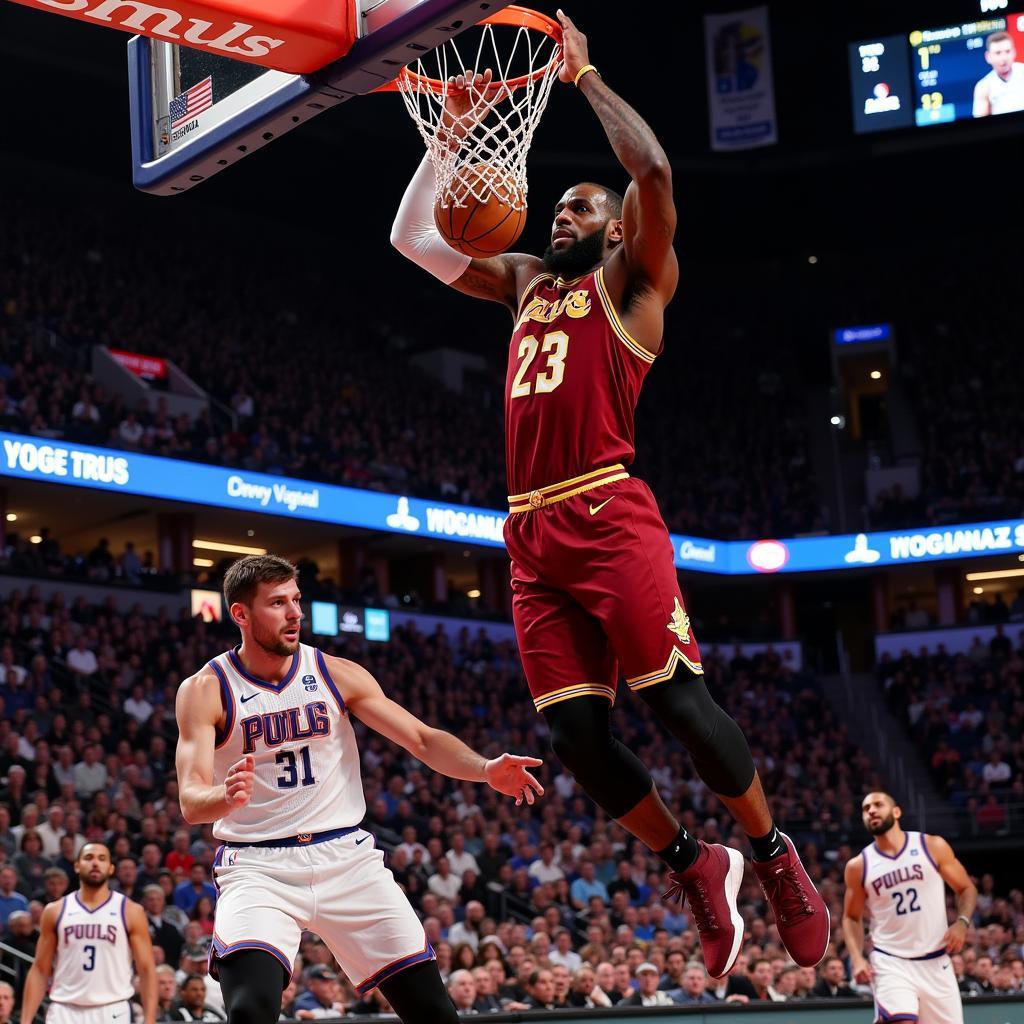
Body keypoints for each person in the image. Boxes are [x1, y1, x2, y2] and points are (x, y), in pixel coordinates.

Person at [390, 7, 828, 980]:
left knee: (676, 701)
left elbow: (655, 175)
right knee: (575, 737)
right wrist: (455, 134)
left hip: (606, 505)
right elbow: (411, 238)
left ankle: (770, 854)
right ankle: (692, 862)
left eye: (580, 209)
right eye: (557, 209)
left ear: (617, 229)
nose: (561, 217)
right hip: (529, 533)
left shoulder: (633, 287)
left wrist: (583, 78)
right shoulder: (520, 281)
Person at [174, 554, 543, 1024]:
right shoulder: (205, 689)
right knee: (250, 1009)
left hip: (345, 858)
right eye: (277, 603)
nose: (294, 614)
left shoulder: (334, 672)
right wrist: (225, 797)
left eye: (296, 600)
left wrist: (485, 767)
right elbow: (191, 801)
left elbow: (423, 739)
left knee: (433, 1011)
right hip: (258, 867)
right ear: (240, 614)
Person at [842, 791, 977, 1024]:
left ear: (896, 812)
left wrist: (962, 923)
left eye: (878, 805)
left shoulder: (931, 846)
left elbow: (966, 888)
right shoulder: (859, 865)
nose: (871, 810)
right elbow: (851, 917)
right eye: (866, 809)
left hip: (936, 960)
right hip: (890, 960)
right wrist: (857, 959)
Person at [19, 842, 157, 1024]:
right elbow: (40, 969)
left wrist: (150, 1019)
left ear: (110, 868)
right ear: (77, 866)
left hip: (112, 1009)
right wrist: (26, 1020)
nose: (95, 863)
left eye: (102, 859)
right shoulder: (55, 910)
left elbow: (146, 969)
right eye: (88, 857)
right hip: (64, 1009)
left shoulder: (130, 911)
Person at [973, 30, 1024, 117]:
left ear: (1014, 52)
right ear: (988, 57)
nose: (1003, 58)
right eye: (998, 53)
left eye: (1007, 51)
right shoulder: (983, 86)